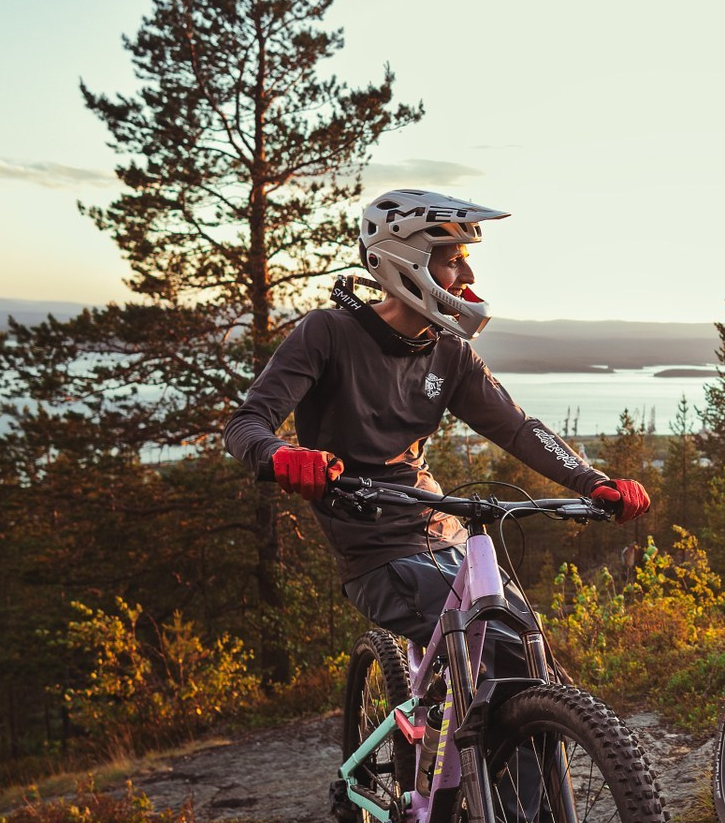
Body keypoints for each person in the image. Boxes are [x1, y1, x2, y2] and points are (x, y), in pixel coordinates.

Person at [224, 188, 650, 651]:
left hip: (444, 531)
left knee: (531, 648)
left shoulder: (451, 352)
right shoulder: (328, 332)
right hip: (375, 546)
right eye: (453, 260)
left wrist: (592, 480)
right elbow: (247, 423)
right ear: (405, 263)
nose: (468, 274)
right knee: (491, 648)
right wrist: (283, 455)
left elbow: (517, 428)